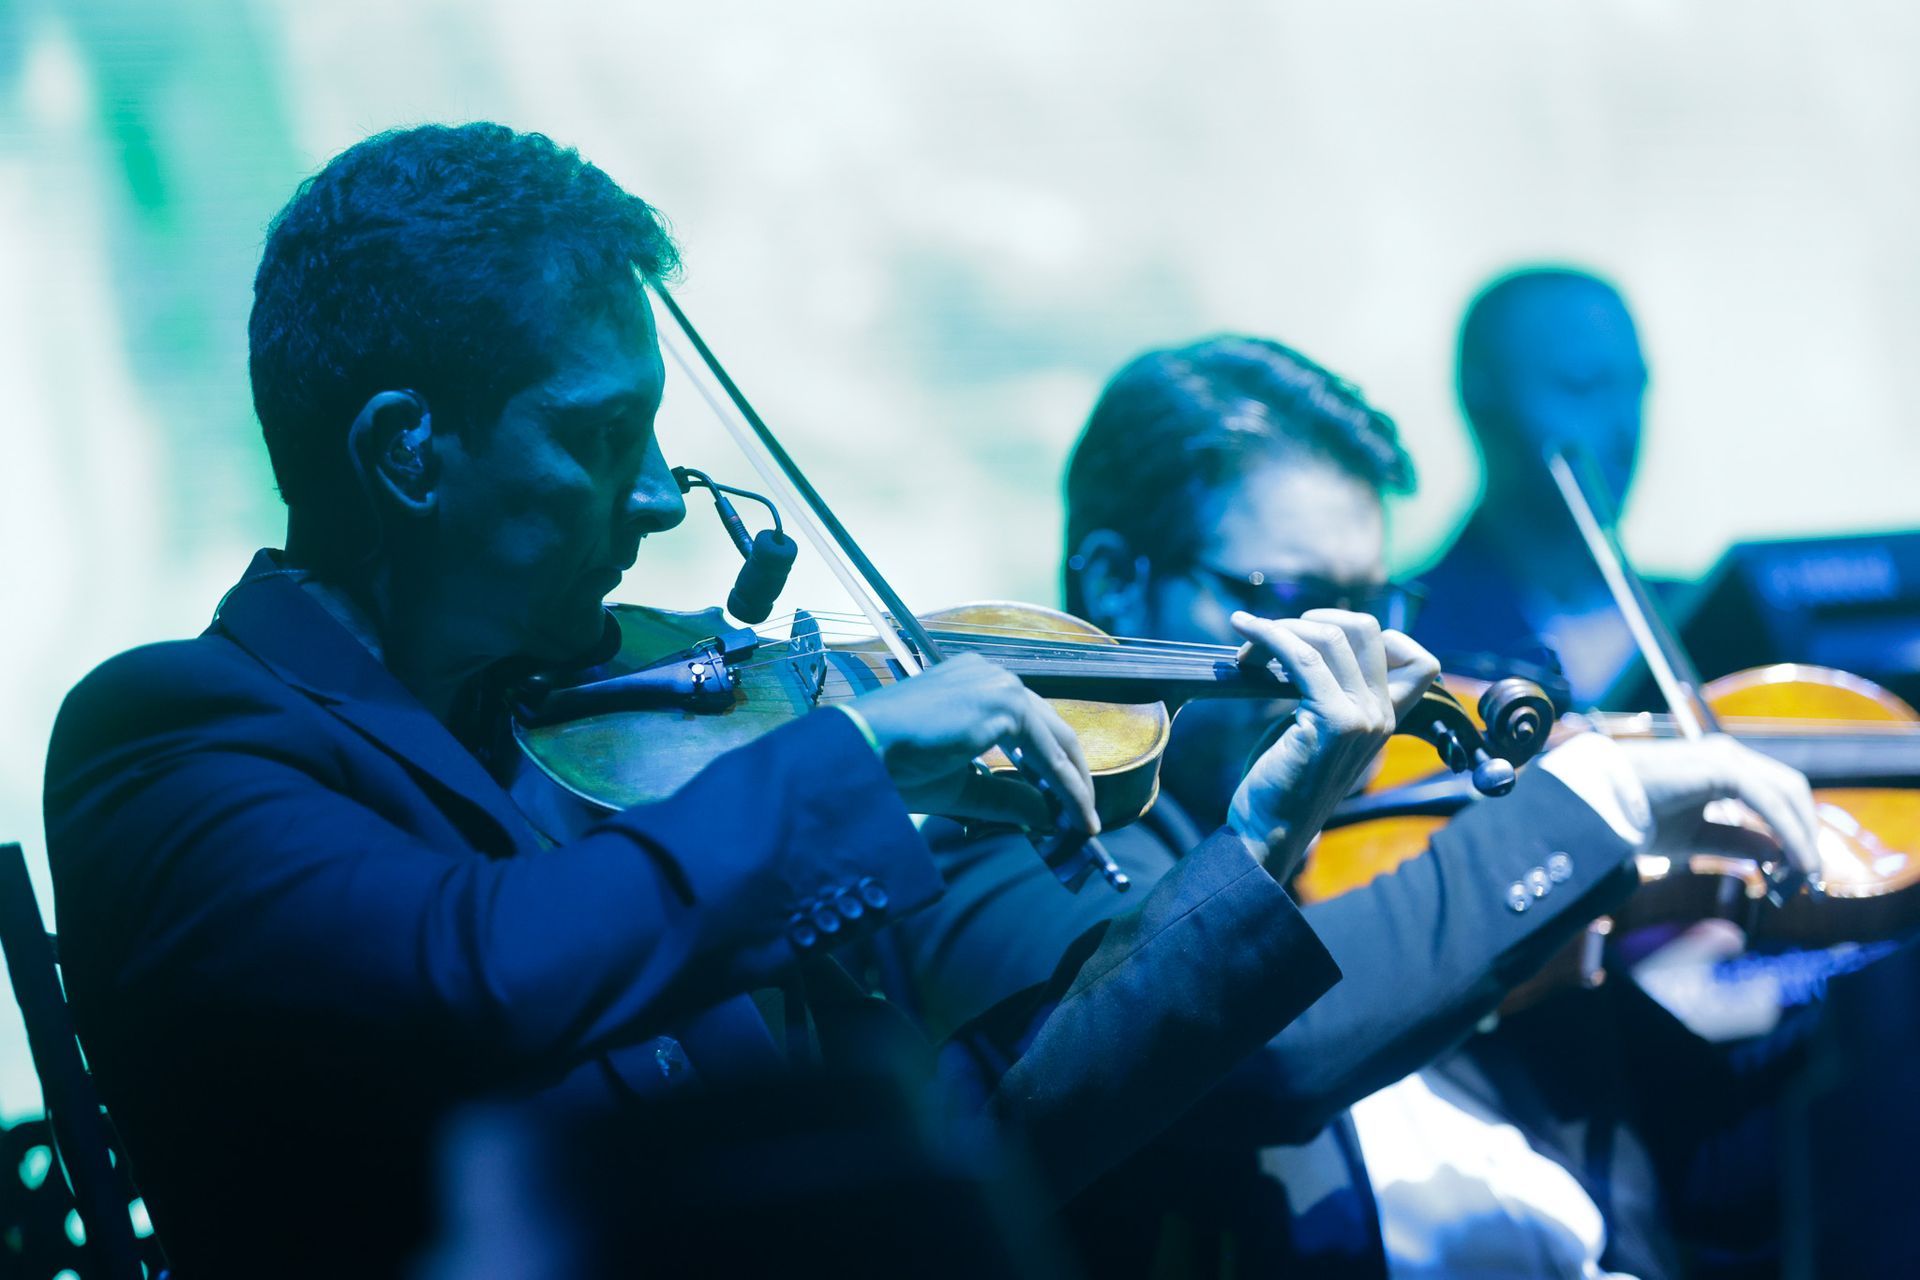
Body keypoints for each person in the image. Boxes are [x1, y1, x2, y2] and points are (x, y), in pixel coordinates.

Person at [43, 126, 1425, 1277]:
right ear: (408, 453)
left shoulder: (605, 753)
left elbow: (961, 1149)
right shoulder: (173, 739)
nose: (657, 497)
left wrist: (1257, 843)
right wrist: (854, 753)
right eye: (601, 436)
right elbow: (472, 973)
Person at [878, 336, 1821, 1277]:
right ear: (1118, 580)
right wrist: (1585, 809)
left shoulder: (1391, 846)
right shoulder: (1008, 841)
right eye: (1296, 597)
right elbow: (1256, 1058)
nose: (1362, 668)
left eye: (1373, 607)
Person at [1414, 267, 1677, 706]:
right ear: (1481, 399)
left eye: (1635, 388)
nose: (1624, 428)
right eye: (1582, 386)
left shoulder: (1698, 620)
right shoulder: (1407, 641)